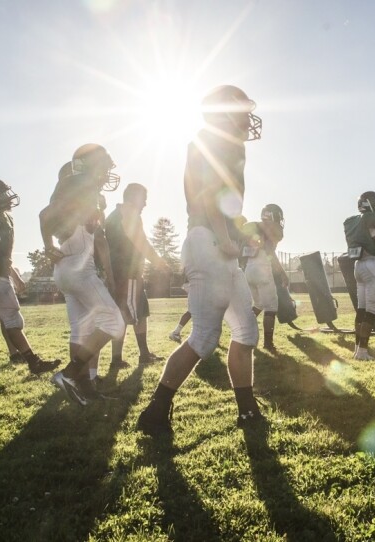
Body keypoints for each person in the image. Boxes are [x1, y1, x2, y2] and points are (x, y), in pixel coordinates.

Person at [136, 84, 264, 435]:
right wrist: (225, 236)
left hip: (218, 243)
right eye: (240, 110)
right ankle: (155, 411)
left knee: (245, 331)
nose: (247, 118)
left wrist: (238, 232)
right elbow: (210, 194)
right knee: (205, 336)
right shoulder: (214, 141)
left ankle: (247, 409)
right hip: (209, 242)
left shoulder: (226, 144)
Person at [41, 146, 126, 405]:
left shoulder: (86, 189)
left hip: (67, 266)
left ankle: (85, 388)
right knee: (115, 323)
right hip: (77, 264)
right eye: (103, 165)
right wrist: (47, 246)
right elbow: (45, 214)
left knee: (82, 329)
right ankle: (69, 374)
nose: (107, 171)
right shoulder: (78, 182)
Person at [0, 178, 60, 379]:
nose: (8, 197)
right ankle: (34, 362)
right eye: (3, 193)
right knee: (13, 321)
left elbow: (0, 256)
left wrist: (14, 277)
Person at [104, 182, 167, 367]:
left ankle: (144, 354)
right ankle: (116, 359)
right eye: (144, 200)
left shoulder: (115, 214)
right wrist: (158, 262)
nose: (145, 204)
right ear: (135, 198)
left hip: (126, 274)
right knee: (124, 314)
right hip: (127, 274)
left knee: (141, 312)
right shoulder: (129, 213)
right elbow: (141, 242)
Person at [343, 191, 375, 361]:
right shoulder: (371, 220)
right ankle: (362, 351)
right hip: (371, 265)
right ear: (373, 204)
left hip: (358, 266)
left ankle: (357, 349)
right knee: (372, 310)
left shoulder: (353, 222)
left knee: (362, 310)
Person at [241, 204, 288, 351]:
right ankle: (268, 343)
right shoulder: (274, 229)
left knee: (258, 305)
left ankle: (243, 335)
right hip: (262, 269)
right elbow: (270, 253)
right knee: (271, 308)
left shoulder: (252, 226)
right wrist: (282, 272)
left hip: (249, 269)